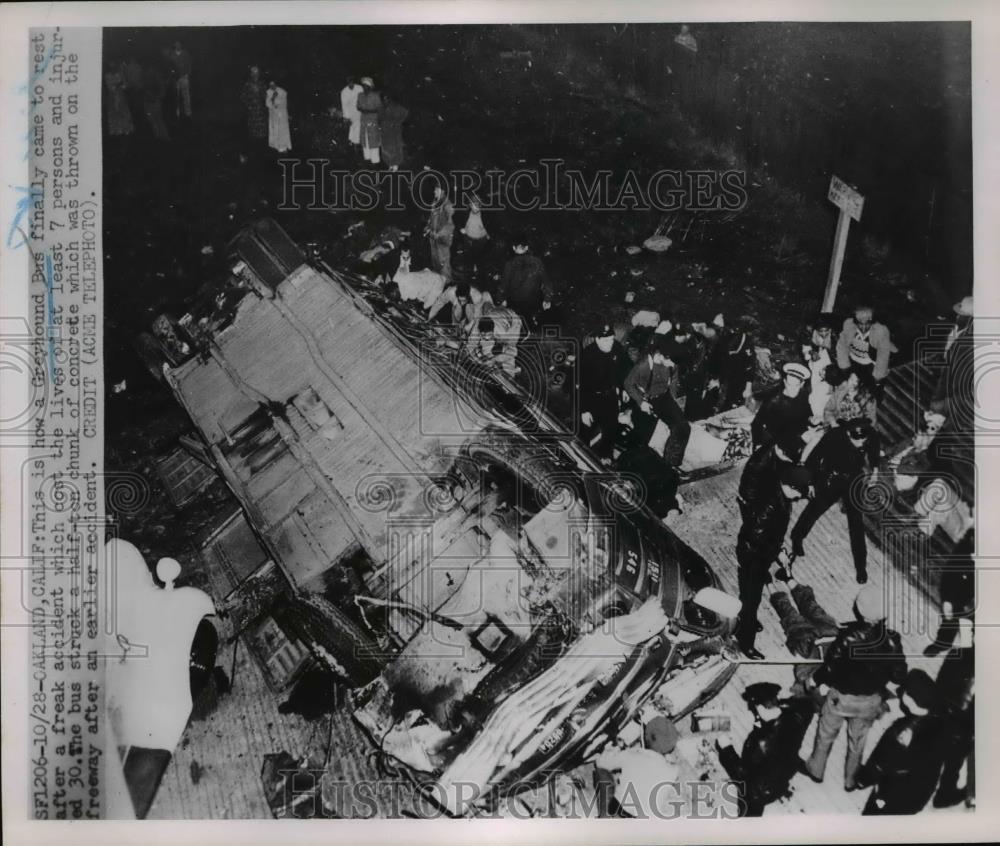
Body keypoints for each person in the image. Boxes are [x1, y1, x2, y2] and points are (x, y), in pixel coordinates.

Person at [800, 584, 907, 789]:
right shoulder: (893, 640)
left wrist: (814, 681)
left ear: (858, 609)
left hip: (841, 698)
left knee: (826, 733)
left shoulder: (848, 637)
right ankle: (851, 779)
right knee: (858, 741)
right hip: (870, 702)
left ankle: (816, 769)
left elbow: (830, 668)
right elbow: (899, 675)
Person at [733, 462, 812, 659]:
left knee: (748, 592)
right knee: (752, 599)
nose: (799, 498)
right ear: (791, 487)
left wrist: (779, 549)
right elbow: (757, 535)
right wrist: (777, 552)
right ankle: (745, 641)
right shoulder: (771, 504)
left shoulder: (779, 495)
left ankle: (744, 620)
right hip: (754, 556)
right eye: (799, 494)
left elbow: (771, 532)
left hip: (756, 553)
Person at [788, 418, 878, 583]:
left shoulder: (870, 434)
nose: (860, 444)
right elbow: (815, 457)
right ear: (848, 433)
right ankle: (797, 537)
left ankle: (861, 566)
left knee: (856, 523)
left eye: (863, 441)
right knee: (814, 510)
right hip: (832, 477)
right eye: (855, 440)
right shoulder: (834, 436)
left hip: (854, 481)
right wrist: (811, 483)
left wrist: (876, 469)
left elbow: (874, 451)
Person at [716, 682, 816, 816]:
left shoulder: (761, 744)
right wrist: (780, 705)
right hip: (780, 776)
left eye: (755, 706)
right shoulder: (793, 719)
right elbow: (808, 706)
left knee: (749, 807)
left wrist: (726, 749)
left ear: (763, 709)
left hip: (759, 790)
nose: (753, 708)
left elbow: (742, 773)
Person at [854, 670, 945, 815]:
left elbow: (882, 761)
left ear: (910, 700)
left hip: (892, 795)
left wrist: (864, 780)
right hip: (916, 796)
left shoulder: (902, 736)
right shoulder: (935, 721)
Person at [623, 335, 691, 468]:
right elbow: (628, 383)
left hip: (663, 398)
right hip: (645, 399)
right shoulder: (644, 365)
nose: (673, 366)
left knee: (683, 427)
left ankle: (670, 465)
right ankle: (631, 466)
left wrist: (673, 402)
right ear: (662, 356)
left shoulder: (673, 364)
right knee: (642, 439)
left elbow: (674, 381)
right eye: (671, 362)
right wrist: (640, 402)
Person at [577, 324, 630, 462]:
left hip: (610, 395)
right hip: (592, 398)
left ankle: (606, 457)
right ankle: (582, 459)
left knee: (610, 428)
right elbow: (579, 386)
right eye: (606, 340)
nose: (610, 343)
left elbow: (623, 370)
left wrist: (623, 388)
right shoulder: (587, 356)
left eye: (612, 339)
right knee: (585, 430)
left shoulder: (616, 348)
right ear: (597, 339)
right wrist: (584, 410)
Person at [750, 362, 812, 451]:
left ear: (802, 384)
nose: (792, 389)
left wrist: (811, 419)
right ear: (785, 382)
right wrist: (758, 444)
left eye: (796, 385)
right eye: (789, 385)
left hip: (796, 438)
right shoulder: (773, 400)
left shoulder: (803, 396)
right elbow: (756, 423)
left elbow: (806, 413)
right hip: (776, 441)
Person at [836, 305, 894, 391]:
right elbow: (842, 347)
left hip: (871, 364)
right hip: (853, 362)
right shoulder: (849, 325)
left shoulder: (880, 331)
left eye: (867, 324)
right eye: (860, 324)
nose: (863, 328)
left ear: (872, 322)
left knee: (873, 388)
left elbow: (883, 357)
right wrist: (845, 370)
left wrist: (877, 379)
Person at [498, 236, 553, 327]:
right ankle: (531, 322)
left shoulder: (509, 264)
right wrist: (547, 299)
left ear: (514, 248)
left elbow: (503, 286)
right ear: (527, 248)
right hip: (534, 302)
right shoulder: (538, 262)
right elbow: (546, 283)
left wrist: (501, 299)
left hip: (515, 304)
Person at [466, 307, 522, 375]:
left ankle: (511, 371)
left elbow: (512, 351)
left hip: (513, 321)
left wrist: (494, 360)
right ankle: (494, 362)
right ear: (480, 331)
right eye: (483, 335)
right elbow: (470, 345)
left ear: (493, 330)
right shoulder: (477, 327)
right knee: (487, 350)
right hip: (496, 313)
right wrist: (476, 359)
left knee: (507, 354)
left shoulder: (501, 333)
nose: (486, 337)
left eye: (489, 334)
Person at [802, 312, 838, 419]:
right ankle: (815, 411)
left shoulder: (835, 337)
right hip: (815, 362)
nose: (824, 333)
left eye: (826, 331)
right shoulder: (808, 334)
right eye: (821, 331)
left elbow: (838, 357)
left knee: (826, 388)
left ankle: (822, 411)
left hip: (829, 363)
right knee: (815, 385)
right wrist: (810, 353)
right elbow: (805, 352)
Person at [426, 282, 493, 333]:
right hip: (458, 306)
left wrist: (469, 327)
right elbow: (439, 303)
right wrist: (430, 317)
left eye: (463, 300)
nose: (462, 302)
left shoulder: (477, 297)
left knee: (470, 320)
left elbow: (477, 316)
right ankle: (456, 330)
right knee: (455, 315)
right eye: (460, 300)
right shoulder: (450, 292)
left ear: (468, 296)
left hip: (473, 307)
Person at [425, 185, 455, 282]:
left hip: (443, 240)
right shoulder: (434, 202)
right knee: (435, 262)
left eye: (436, 189)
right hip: (433, 239)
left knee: (444, 265)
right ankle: (438, 282)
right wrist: (428, 227)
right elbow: (431, 218)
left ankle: (447, 284)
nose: (434, 191)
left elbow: (451, 225)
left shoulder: (448, 205)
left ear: (442, 191)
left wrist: (439, 233)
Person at [379, 92, 409, 171]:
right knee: (385, 148)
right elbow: (379, 117)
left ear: (390, 99)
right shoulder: (382, 108)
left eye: (387, 99)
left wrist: (397, 122)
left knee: (396, 147)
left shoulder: (396, 107)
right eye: (384, 99)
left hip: (394, 131)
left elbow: (405, 113)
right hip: (385, 131)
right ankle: (389, 163)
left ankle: (396, 164)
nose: (385, 100)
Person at [141, 63, 171, 141]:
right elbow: (143, 90)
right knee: (154, 120)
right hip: (149, 102)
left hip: (154, 102)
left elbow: (162, 90)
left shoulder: (155, 77)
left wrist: (157, 97)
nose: (149, 71)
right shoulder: (145, 77)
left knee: (158, 120)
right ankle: (159, 137)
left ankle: (163, 137)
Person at [356, 77, 382, 164]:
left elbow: (379, 108)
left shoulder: (375, 96)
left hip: (372, 119)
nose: (364, 87)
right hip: (363, 120)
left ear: (370, 87)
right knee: (365, 138)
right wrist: (361, 109)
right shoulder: (360, 95)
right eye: (363, 86)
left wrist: (369, 111)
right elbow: (358, 106)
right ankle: (367, 158)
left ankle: (375, 160)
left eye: (366, 86)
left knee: (373, 139)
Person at [104, 61, 134, 137]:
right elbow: (110, 87)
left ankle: (126, 130)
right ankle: (116, 131)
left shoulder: (120, 73)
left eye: (113, 63)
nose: (112, 65)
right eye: (111, 63)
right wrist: (118, 84)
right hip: (113, 97)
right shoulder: (107, 75)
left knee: (124, 112)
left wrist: (122, 82)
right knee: (114, 113)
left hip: (121, 96)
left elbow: (125, 85)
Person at [240, 66, 268, 142]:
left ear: (259, 74)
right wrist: (249, 106)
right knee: (253, 130)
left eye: (256, 73)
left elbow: (265, 96)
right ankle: (254, 143)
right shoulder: (247, 84)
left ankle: (262, 142)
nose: (255, 75)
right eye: (253, 73)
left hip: (261, 110)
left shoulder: (261, 84)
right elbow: (243, 97)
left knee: (262, 130)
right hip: (252, 111)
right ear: (251, 74)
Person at [167, 40, 193, 118]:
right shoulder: (171, 55)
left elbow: (189, 63)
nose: (178, 46)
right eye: (176, 44)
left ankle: (188, 112)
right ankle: (177, 112)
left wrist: (188, 73)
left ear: (181, 45)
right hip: (176, 78)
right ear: (174, 45)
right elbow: (169, 66)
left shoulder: (185, 53)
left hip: (184, 76)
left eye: (179, 44)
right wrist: (172, 75)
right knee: (176, 95)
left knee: (186, 95)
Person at [265, 80, 291, 153]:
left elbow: (283, 102)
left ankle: (283, 147)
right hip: (274, 115)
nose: (272, 87)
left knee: (282, 130)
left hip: (282, 114)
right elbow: (267, 103)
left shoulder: (282, 92)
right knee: (275, 130)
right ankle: (276, 146)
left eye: (273, 85)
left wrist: (275, 102)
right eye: (270, 85)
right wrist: (272, 99)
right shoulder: (269, 92)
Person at [339, 76, 363, 147]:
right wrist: (346, 117)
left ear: (354, 82)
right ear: (347, 83)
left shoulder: (359, 88)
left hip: (360, 110)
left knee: (360, 128)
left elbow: (363, 99)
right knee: (354, 129)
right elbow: (344, 105)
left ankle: (360, 144)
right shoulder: (344, 92)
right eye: (349, 83)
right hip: (351, 112)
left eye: (352, 82)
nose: (351, 84)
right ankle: (354, 145)